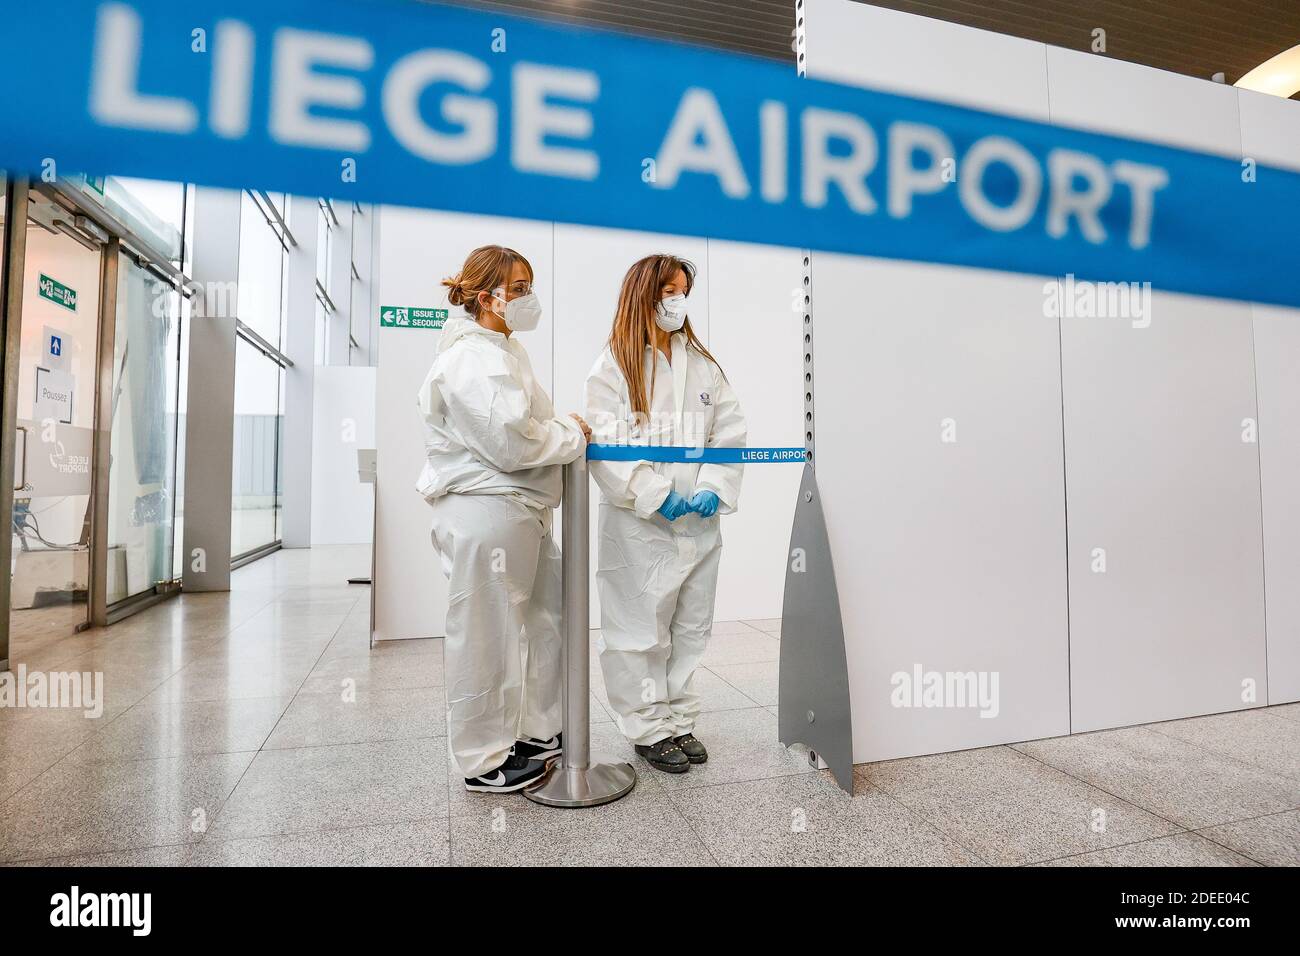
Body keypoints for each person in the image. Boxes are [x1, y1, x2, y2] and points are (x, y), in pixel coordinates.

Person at [417, 245, 591, 793]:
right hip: (488, 508)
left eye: (528, 286)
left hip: (520, 510)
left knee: (549, 618)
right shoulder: (472, 357)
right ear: (484, 292)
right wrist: (573, 434)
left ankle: (540, 729)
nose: (527, 297)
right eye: (517, 287)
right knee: (486, 632)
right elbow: (512, 442)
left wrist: (557, 427)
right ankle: (483, 757)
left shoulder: (503, 350)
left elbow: (526, 421)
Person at [584, 254, 746, 773]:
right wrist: (655, 493)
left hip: (699, 522)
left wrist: (713, 486)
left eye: (682, 292)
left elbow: (730, 431)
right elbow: (608, 442)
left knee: (691, 625)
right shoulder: (614, 364)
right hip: (639, 525)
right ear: (643, 293)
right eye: (668, 291)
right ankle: (648, 727)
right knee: (639, 628)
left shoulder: (702, 363)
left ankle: (679, 718)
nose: (676, 302)